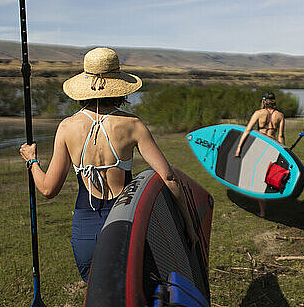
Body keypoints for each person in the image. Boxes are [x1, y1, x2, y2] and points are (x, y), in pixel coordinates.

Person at [19, 47, 196, 282]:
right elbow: (169, 178)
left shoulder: (67, 127)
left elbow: (48, 189)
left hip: (86, 227)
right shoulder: (132, 125)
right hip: (126, 221)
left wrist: (32, 161)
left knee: (97, 290)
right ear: (119, 88)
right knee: (134, 287)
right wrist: (189, 225)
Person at [234, 91, 285, 217]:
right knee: (270, 174)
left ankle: (262, 211)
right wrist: (284, 152)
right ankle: (272, 197)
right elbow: (281, 136)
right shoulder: (280, 115)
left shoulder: (258, 113)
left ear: (263, 101)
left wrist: (239, 148)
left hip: (260, 147)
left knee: (258, 178)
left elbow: (247, 130)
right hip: (273, 148)